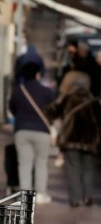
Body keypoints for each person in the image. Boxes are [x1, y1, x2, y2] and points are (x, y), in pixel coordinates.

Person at [46, 75, 101, 207]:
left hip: (70, 139)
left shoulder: (68, 98)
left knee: (72, 169)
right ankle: (87, 196)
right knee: (87, 168)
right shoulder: (93, 101)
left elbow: (53, 111)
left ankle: (75, 198)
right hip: (89, 140)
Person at [8, 61, 57, 204]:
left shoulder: (18, 90)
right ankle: (41, 194)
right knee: (41, 162)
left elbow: (12, 108)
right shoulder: (47, 92)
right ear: (38, 74)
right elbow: (52, 111)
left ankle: (25, 195)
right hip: (42, 130)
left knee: (24, 163)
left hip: (22, 130)